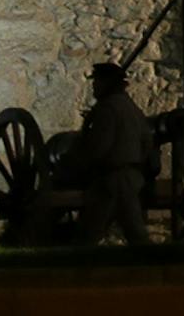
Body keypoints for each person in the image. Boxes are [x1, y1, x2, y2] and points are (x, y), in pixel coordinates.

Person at [74, 61, 152, 245]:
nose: (93, 87)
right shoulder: (131, 108)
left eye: (97, 82)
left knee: (90, 230)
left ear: (105, 83)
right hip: (131, 175)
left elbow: (99, 147)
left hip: (111, 179)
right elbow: (147, 141)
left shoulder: (107, 109)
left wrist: (80, 165)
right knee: (133, 228)